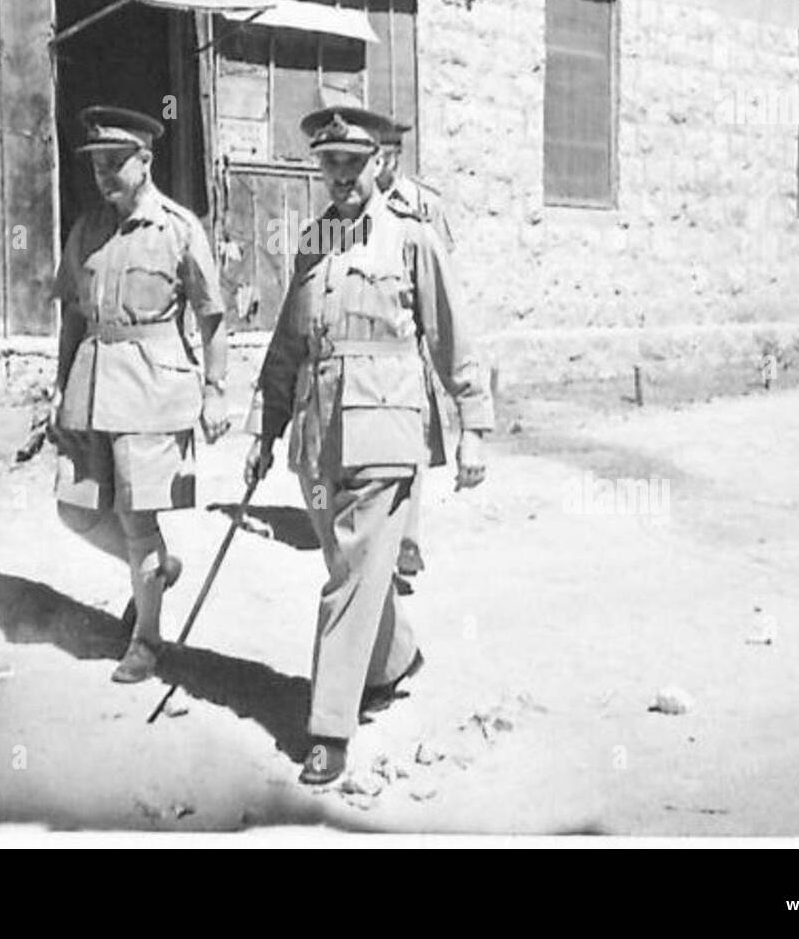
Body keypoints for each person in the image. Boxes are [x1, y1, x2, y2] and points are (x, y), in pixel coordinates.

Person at [243, 106, 493, 785]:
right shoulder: (311, 243)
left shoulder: (411, 241)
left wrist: (474, 423)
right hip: (318, 434)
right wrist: (264, 429)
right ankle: (394, 656)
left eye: (355, 162)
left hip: (385, 429)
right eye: (330, 163)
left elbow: (451, 337)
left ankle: (329, 726)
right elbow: (288, 344)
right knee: (354, 567)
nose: (343, 176)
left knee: (349, 575)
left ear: (380, 163)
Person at [51, 105, 230, 685]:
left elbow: (212, 316)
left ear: (145, 160)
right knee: (75, 510)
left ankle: (147, 638)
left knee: (135, 517)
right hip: (91, 382)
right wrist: (59, 388)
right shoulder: (87, 229)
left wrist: (217, 390)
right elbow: (73, 317)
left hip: (153, 387)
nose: (103, 174)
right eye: (96, 163)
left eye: (115, 161)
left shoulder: (178, 228)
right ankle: (154, 568)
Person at [376, 119, 455, 580]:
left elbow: (439, 276)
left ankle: (408, 539)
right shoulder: (348, 204)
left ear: (396, 156)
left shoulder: (425, 205)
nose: (377, 165)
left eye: (384, 157)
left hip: (411, 343)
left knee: (413, 445)